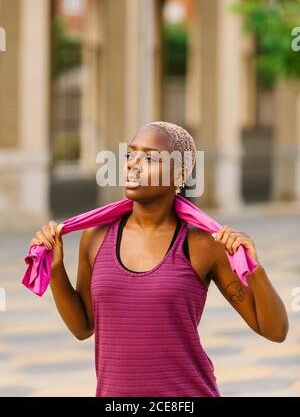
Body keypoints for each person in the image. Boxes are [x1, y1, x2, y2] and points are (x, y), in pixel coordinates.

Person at [30, 121, 289, 397]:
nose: (133, 165)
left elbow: (274, 330)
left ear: (179, 175)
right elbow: (83, 328)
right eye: (130, 155)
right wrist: (56, 270)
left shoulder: (202, 244)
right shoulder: (95, 237)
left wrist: (255, 270)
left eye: (150, 158)